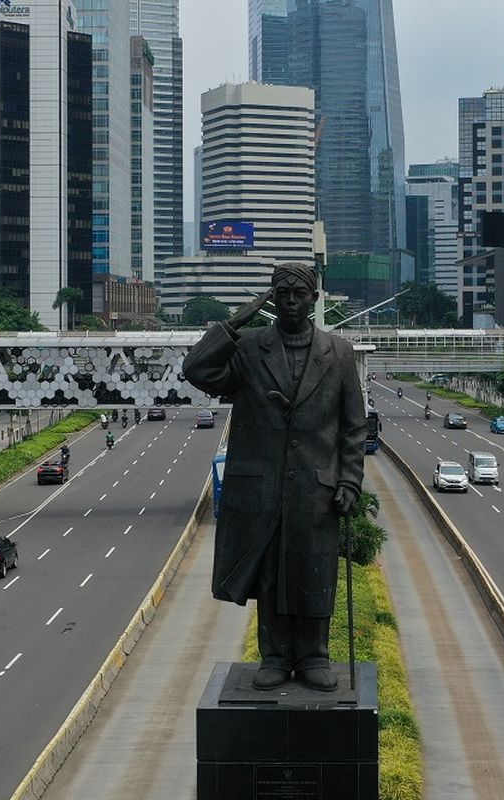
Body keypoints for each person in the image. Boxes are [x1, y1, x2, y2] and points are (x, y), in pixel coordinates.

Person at [183, 261, 366, 693]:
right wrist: (233, 323)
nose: (289, 302)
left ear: (313, 300)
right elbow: (197, 371)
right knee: (270, 574)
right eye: (281, 294)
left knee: (314, 570)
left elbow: (353, 427)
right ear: (270, 300)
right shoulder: (248, 348)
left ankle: (315, 654)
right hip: (262, 488)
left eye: (298, 294)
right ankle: (276, 655)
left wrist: (349, 481)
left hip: (315, 488)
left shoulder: (338, 353)